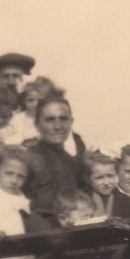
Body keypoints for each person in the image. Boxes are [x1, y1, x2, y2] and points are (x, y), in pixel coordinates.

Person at [23, 96, 88, 224]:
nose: (58, 126)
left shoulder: (74, 163)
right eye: (50, 120)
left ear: (71, 122)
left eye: (63, 119)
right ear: (37, 124)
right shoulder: (28, 160)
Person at [81, 151, 130, 219]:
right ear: (87, 179)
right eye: (99, 177)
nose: (106, 182)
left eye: (110, 176)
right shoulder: (79, 199)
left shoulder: (125, 201)